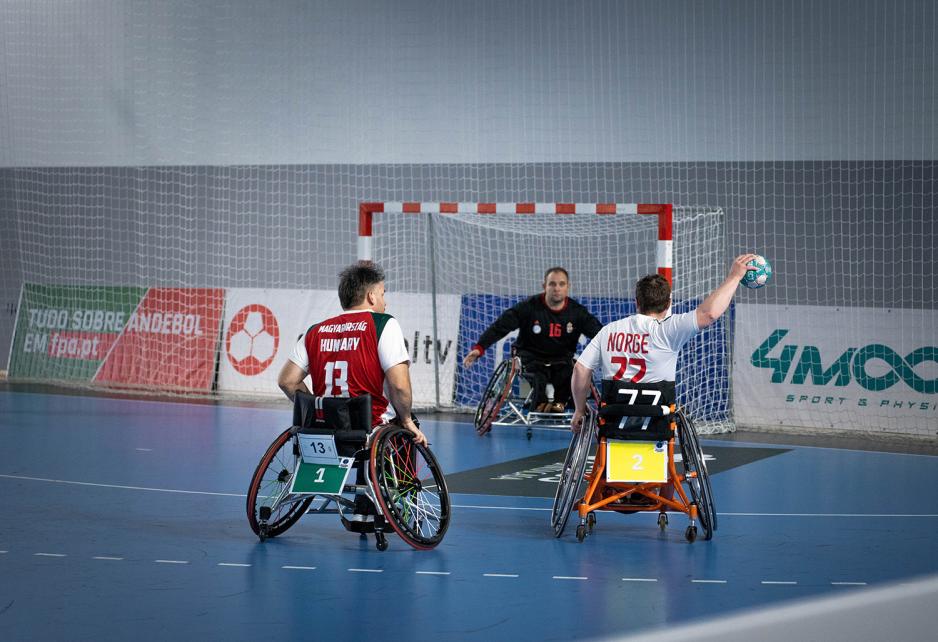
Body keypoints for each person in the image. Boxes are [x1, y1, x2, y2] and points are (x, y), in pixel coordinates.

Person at [570, 254, 759, 431]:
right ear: (668, 304)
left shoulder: (608, 331)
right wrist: (734, 277)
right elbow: (708, 314)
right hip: (657, 423)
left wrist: (579, 410)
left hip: (613, 422)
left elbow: (580, 369)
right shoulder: (668, 330)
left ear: (637, 302)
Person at [277, 261, 427, 447]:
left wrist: (317, 410)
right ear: (371, 297)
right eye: (382, 294)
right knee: (408, 422)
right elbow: (399, 386)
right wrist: (406, 420)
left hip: (325, 426)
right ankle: (393, 476)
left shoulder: (315, 331)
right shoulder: (383, 324)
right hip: (369, 427)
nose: (385, 302)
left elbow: (287, 381)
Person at [463, 267, 602, 412]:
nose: (557, 288)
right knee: (538, 378)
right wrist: (479, 348)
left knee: (571, 373)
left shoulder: (577, 312)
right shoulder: (529, 307)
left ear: (568, 287)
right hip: (531, 358)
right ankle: (539, 405)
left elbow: (600, 334)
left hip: (561, 360)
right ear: (544, 286)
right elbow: (500, 326)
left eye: (561, 284)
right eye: (552, 284)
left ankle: (559, 404)